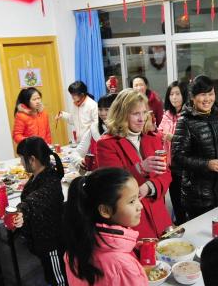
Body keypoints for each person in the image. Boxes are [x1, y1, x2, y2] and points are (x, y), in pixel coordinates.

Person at [95, 89, 173, 239]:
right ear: (122, 114)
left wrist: (149, 187)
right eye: (135, 114)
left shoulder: (153, 137)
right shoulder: (106, 144)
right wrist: (141, 168)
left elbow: (166, 174)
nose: (141, 119)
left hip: (160, 216)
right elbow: (114, 185)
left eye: (144, 113)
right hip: (132, 221)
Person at [13, 137, 71, 286]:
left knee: (56, 273)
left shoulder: (50, 179)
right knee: (51, 269)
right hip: (42, 236)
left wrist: (22, 210)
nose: (21, 163)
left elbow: (36, 199)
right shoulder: (41, 174)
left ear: (32, 159)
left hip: (51, 238)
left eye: (21, 158)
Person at [171, 75, 218, 220]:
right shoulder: (185, 121)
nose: (208, 99)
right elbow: (177, 158)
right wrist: (207, 164)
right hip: (199, 197)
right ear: (192, 97)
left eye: (211, 94)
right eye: (203, 94)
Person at [158, 81, 187, 222]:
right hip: (170, 163)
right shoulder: (167, 114)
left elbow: (190, 139)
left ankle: (189, 223)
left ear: (184, 95)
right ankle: (180, 222)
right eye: (171, 94)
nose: (174, 97)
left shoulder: (188, 114)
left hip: (185, 164)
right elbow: (160, 131)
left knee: (186, 199)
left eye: (177, 94)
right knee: (175, 197)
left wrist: (173, 138)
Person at [75, 93, 116, 166]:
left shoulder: (124, 130)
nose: (102, 113)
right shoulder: (94, 128)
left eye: (107, 109)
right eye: (100, 109)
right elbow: (77, 153)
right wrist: (81, 161)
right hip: (98, 171)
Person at [56, 80, 98, 145]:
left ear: (82, 94)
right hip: (80, 141)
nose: (72, 97)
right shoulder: (75, 105)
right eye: (71, 94)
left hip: (91, 142)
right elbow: (72, 120)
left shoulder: (92, 105)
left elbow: (96, 124)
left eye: (74, 95)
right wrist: (62, 114)